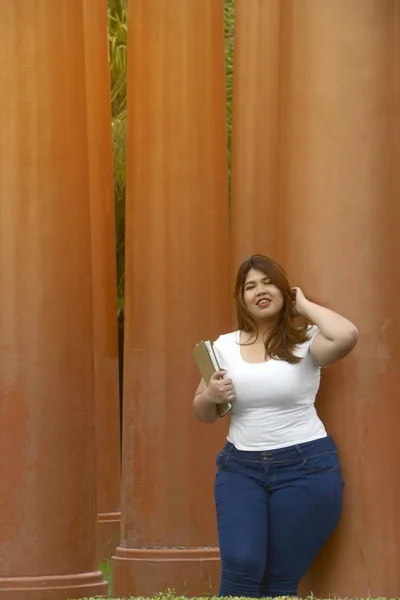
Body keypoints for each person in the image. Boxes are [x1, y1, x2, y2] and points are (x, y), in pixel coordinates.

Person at [193, 254, 358, 598]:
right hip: (241, 469)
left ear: (284, 291)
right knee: (240, 566)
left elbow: (346, 335)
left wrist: (305, 305)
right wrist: (210, 393)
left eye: (268, 282)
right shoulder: (223, 346)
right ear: (241, 299)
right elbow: (204, 413)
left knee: (279, 581)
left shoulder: (307, 340)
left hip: (306, 467)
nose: (260, 291)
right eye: (250, 286)